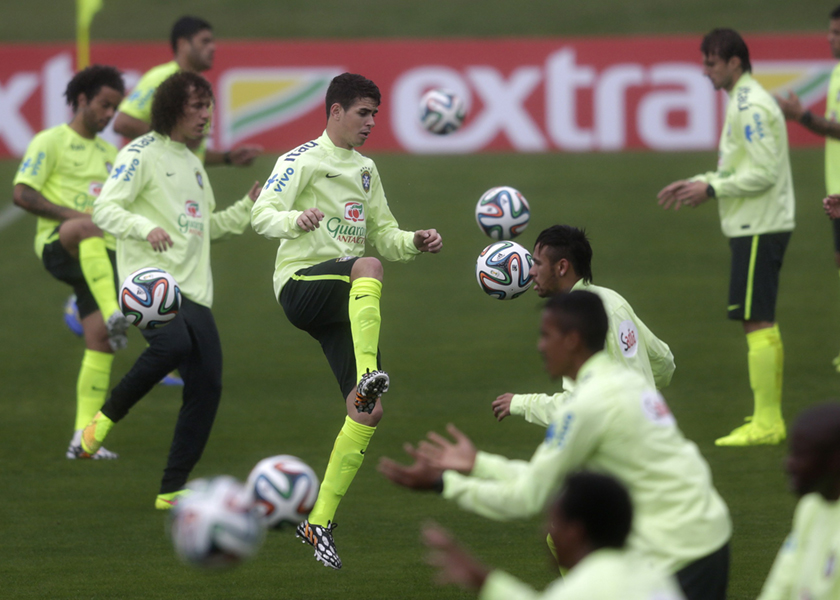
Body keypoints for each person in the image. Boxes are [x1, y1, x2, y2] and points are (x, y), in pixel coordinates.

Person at [379, 291, 731, 600]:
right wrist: (479, 464)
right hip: (706, 535)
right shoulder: (626, 382)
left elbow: (527, 497)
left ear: (573, 340)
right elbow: (548, 480)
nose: (540, 346)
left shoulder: (587, 406)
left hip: (678, 554)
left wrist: (444, 484)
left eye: (546, 335)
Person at [251, 72, 442, 570]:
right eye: (363, 113)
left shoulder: (366, 170)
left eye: (375, 114)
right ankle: (366, 379)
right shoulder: (300, 160)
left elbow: (385, 234)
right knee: (366, 269)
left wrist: (414, 241)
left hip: (347, 298)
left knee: (367, 415)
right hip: (301, 283)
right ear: (335, 111)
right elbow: (262, 214)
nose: (371, 123)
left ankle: (317, 523)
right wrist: (297, 221)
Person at [82, 71, 260, 509]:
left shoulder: (194, 162)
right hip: (151, 284)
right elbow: (104, 208)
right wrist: (146, 227)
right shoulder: (140, 153)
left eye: (208, 107)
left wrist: (247, 208)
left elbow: (205, 230)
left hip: (194, 291)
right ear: (170, 108)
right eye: (197, 106)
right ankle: (100, 423)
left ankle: (171, 489)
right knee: (173, 345)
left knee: (208, 384)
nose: (206, 116)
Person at [657, 28, 794, 447]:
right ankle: (766, 414)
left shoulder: (750, 106)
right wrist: (702, 180)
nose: (704, 71)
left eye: (710, 63)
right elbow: (741, 167)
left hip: (760, 224)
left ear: (735, 62)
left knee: (758, 318)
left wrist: (712, 189)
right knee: (756, 317)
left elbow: (765, 173)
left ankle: (769, 421)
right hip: (756, 222)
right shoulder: (743, 99)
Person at [12, 65, 128, 460]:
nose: (110, 115)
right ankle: (116, 313)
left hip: (98, 256)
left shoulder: (111, 154)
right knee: (84, 227)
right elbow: (22, 194)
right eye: (104, 105)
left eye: (115, 108)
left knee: (99, 343)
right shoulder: (49, 141)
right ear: (81, 100)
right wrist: (73, 217)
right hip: (59, 243)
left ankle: (83, 440)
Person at [491, 225, 674, 426]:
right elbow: (664, 361)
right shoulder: (613, 300)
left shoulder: (576, 319)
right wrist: (641, 394)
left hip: (620, 439)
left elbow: (577, 408)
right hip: (649, 430)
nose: (531, 272)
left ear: (561, 267)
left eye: (537, 263)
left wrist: (521, 403)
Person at [423, 472, 686, 600]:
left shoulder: (592, 585)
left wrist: (482, 579)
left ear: (575, 532)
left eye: (554, 522)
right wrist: (484, 580)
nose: (545, 531)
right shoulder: (650, 572)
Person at [775, 5, 840, 371]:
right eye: (830, 31)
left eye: (837, 32)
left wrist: (802, 117)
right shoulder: (836, 74)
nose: (830, 37)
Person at [113, 15, 260, 167]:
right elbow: (123, 123)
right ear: (182, 44)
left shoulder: (200, 87)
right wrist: (174, 136)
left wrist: (227, 158)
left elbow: (191, 151)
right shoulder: (162, 78)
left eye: (212, 41)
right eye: (205, 41)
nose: (213, 47)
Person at [757, 402, 840, 600]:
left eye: (801, 454)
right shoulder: (811, 506)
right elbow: (783, 580)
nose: (788, 463)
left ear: (835, 461)